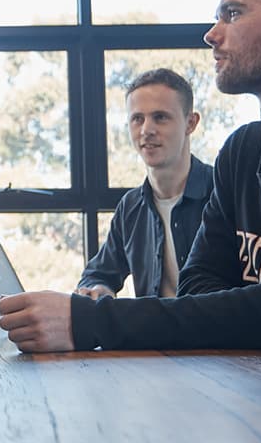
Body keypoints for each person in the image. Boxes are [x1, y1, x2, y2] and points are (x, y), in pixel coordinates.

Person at [0, 0, 261, 360]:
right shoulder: (241, 153)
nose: (212, 33)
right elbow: (198, 286)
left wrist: (88, 321)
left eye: (233, 13)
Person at [75, 68, 213, 299]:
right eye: (137, 119)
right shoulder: (131, 206)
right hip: (152, 334)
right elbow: (98, 274)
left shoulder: (223, 191)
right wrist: (99, 289)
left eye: (160, 117)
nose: (146, 130)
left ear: (191, 123)